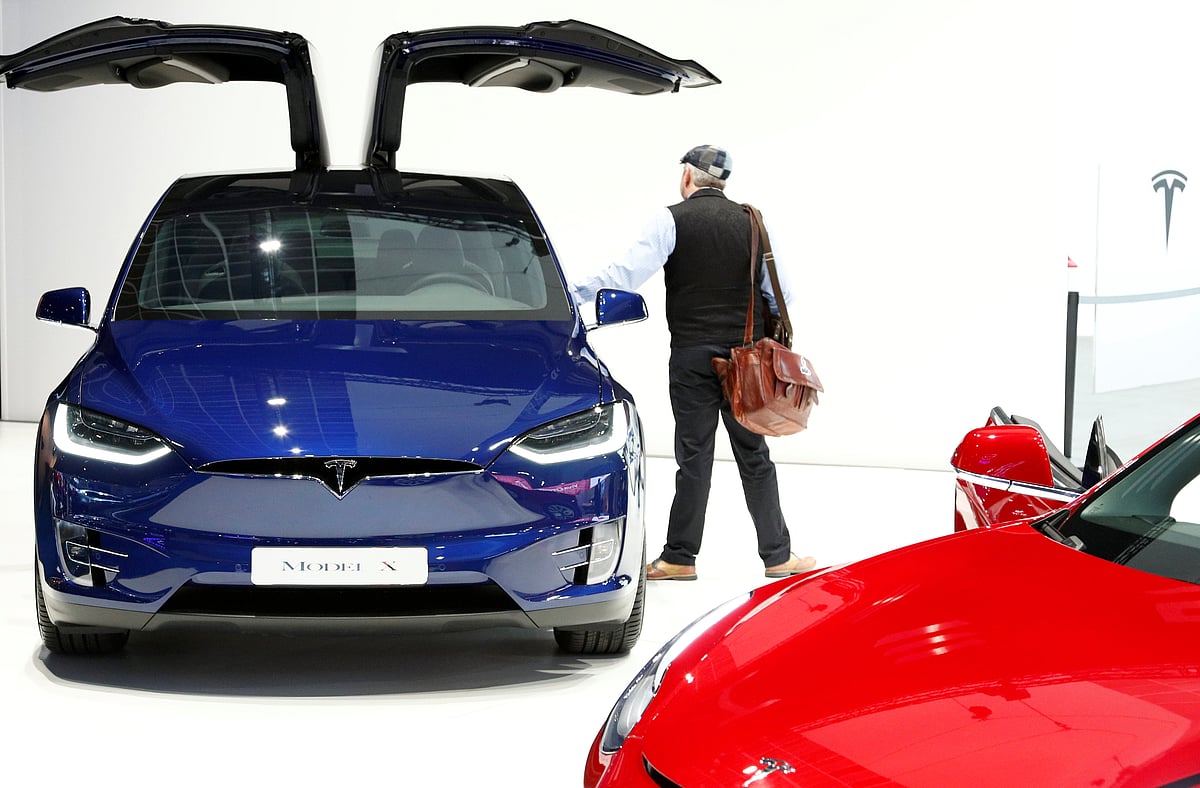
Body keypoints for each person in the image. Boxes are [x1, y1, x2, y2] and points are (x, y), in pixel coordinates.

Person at [570, 145, 815, 581]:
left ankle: (679, 558)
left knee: (694, 457)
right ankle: (778, 557)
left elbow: (622, 277)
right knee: (754, 456)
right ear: (721, 181)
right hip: (745, 364)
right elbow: (783, 295)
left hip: (691, 357)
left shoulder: (671, 220)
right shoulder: (753, 222)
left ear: (687, 177)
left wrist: (570, 294)